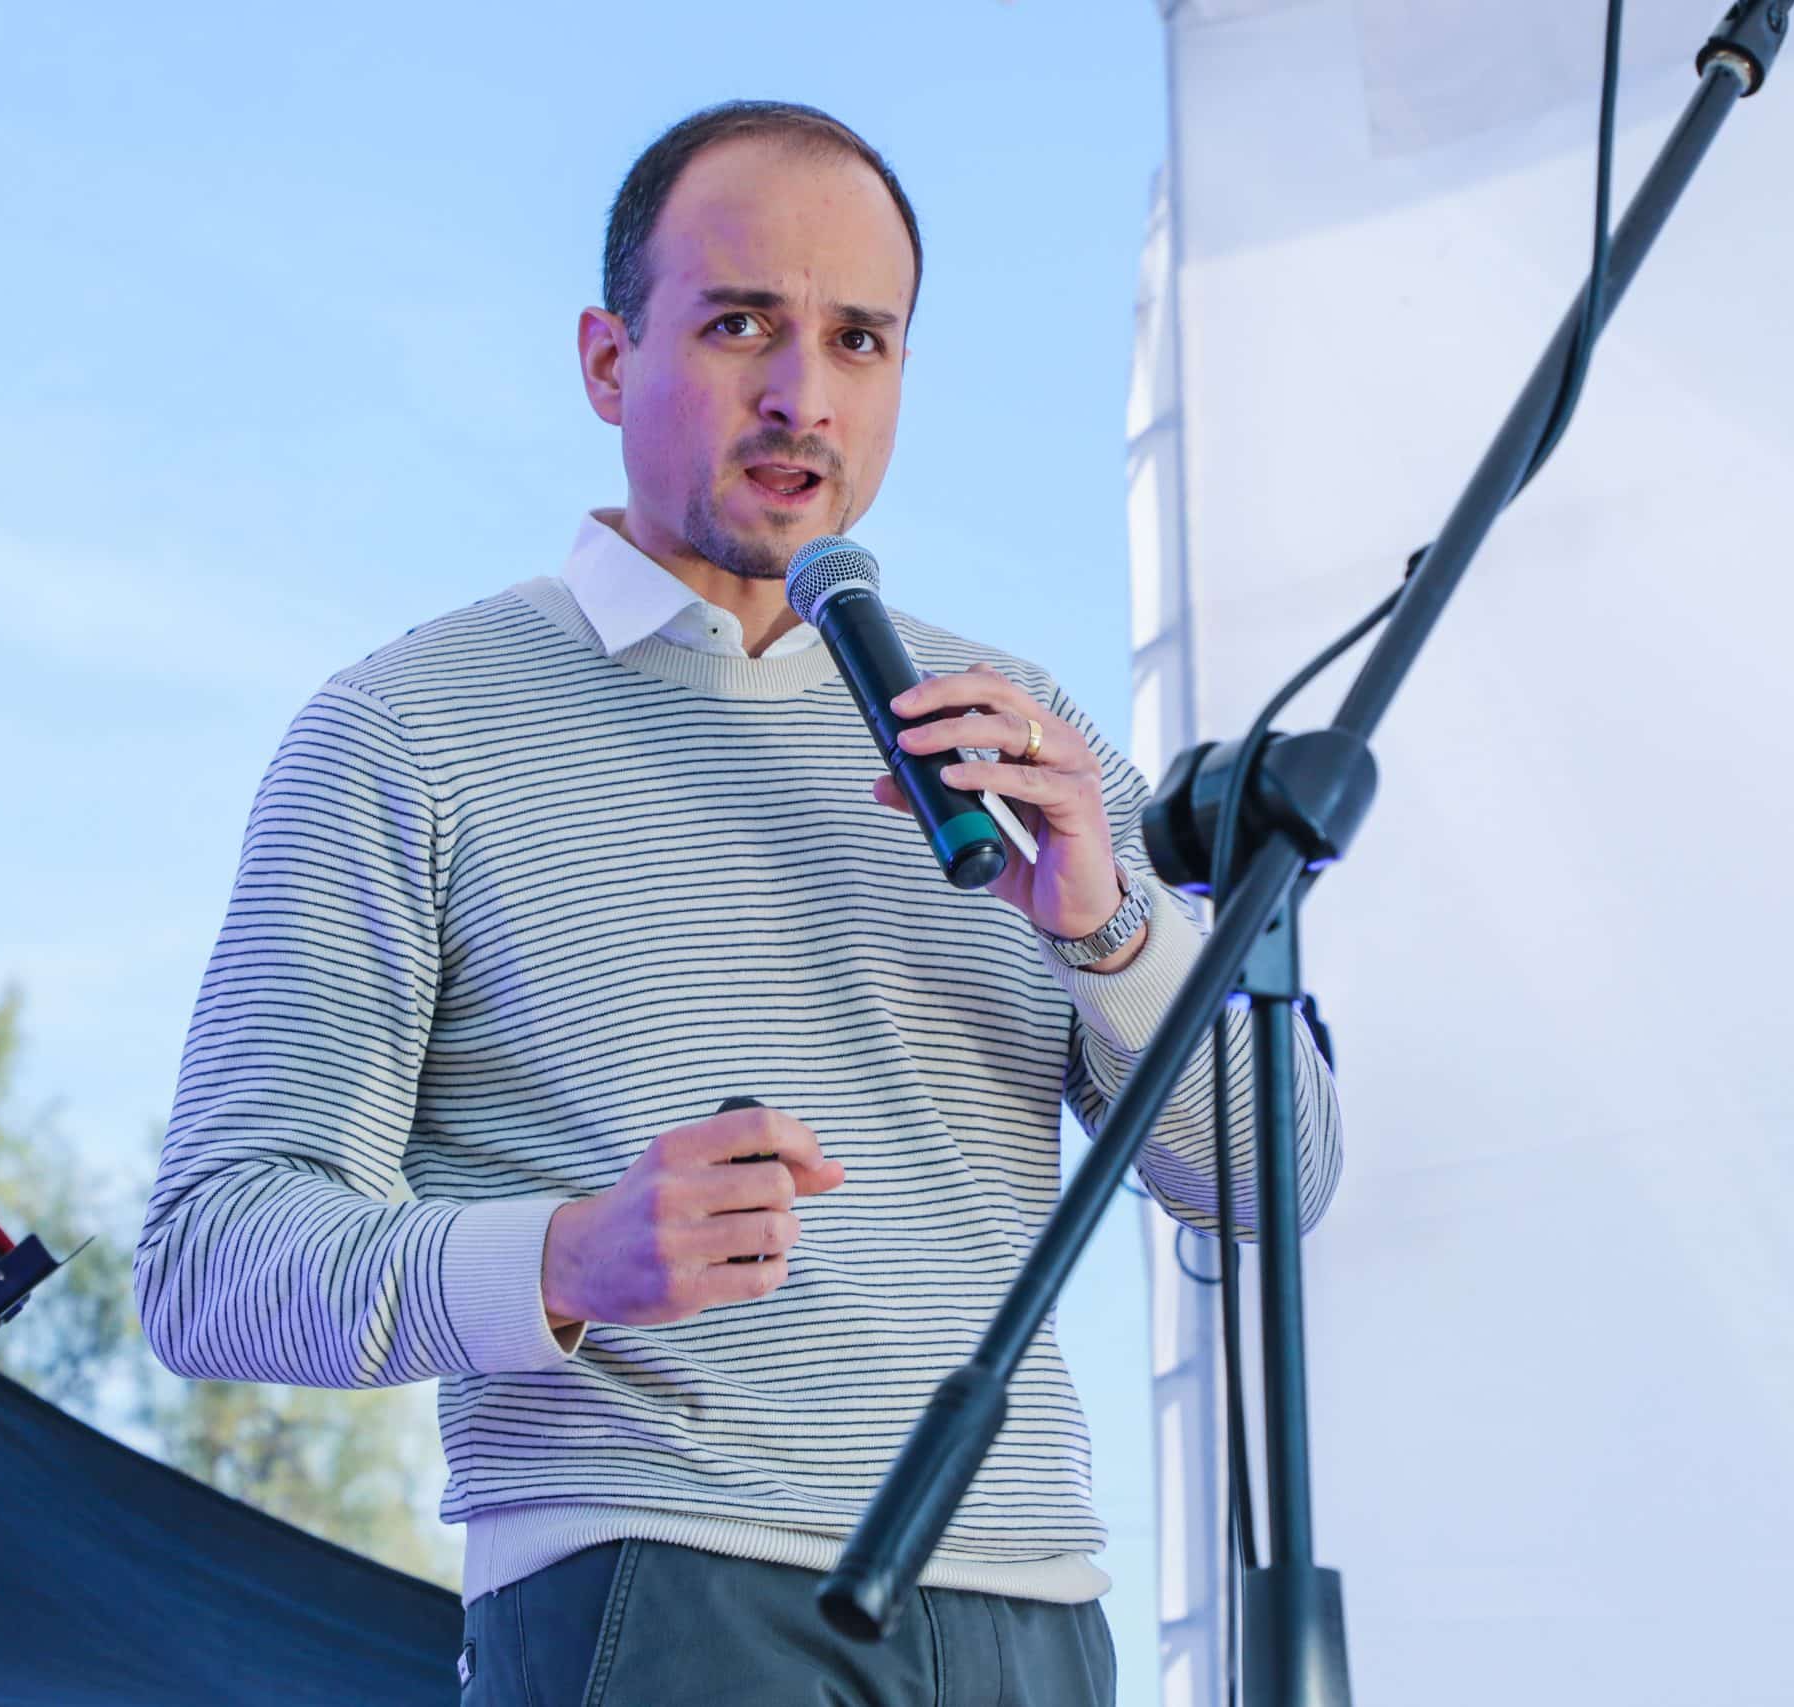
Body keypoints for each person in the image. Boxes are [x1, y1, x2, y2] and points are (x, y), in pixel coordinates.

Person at [134, 100, 1342, 1706]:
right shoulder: (407, 731)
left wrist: (1107, 929)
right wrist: (566, 1258)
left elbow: (1278, 1183)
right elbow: (212, 1260)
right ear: (606, 359)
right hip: (656, 1589)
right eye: (740, 324)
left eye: (859, 341)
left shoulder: (1013, 735)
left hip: (1034, 1605)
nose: (803, 396)